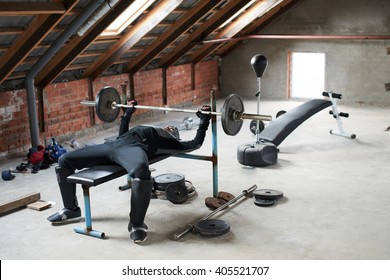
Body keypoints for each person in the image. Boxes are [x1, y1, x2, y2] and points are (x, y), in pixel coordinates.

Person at [47, 100, 211, 243]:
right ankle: (71, 210)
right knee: (64, 160)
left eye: (173, 130)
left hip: (133, 149)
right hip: (113, 146)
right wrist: (128, 113)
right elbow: (122, 134)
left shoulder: (171, 143)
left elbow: (195, 144)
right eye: (170, 127)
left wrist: (204, 120)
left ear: (175, 136)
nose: (170, 127)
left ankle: (136, 224)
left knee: (141, 170)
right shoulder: (148, 127)